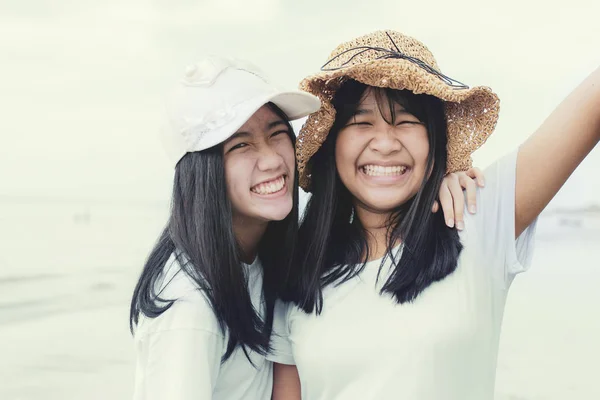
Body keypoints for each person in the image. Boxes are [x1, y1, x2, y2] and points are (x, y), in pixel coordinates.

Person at [269, 30, 600, 400]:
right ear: (332, 144)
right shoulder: (299, 273)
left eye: (407, 121)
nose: (385, 142)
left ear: (435, 141)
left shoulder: (474, 218)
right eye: (361, 122)